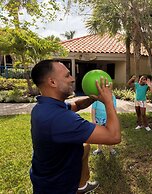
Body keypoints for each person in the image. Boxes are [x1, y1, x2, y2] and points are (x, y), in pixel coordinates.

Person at [30, 60, 121, 194]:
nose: (73, 79)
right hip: (58, 188)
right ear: (52, 82)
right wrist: (108, 101)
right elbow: (114, 136)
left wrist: (93, 98)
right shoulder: (60, 119)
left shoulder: (45, 107)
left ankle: (81, 186)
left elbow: (77, 106)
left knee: (84, 147)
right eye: (67, 76)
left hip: (46, 180)